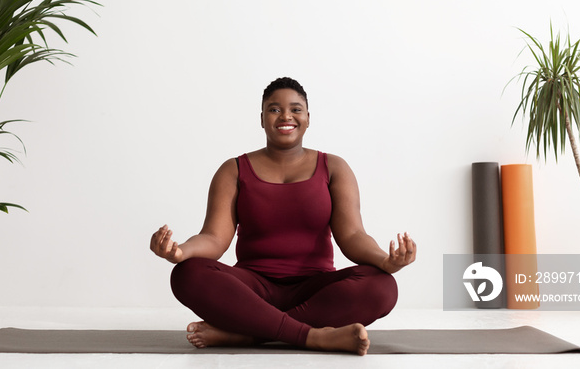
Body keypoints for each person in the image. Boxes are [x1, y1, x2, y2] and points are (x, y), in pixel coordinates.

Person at [150, 77, 416, 356]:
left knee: (383, 287)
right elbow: (214, 238)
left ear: (308, 118)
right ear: (262, 119)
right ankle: (314, 337)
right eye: (274, 109)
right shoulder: (234, 170)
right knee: (187, 274)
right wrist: (180, 252)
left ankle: (249, 335)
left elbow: (352, 236)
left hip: (315, 291)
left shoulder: (334, 168)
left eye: (296, 109)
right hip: (251, 290)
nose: (286, 116)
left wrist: (385, 261)